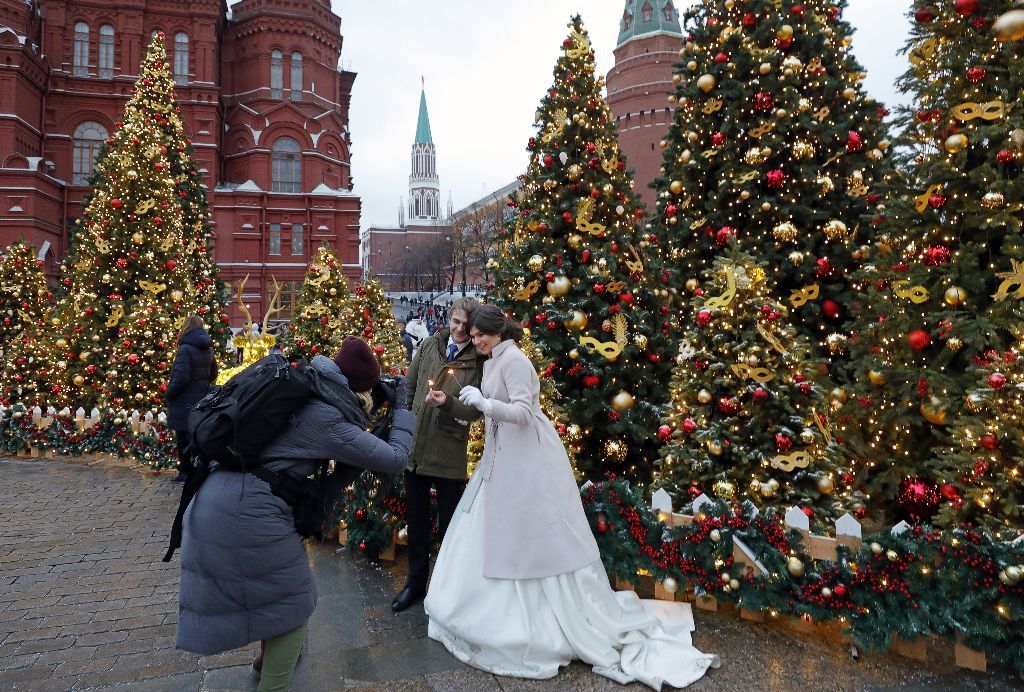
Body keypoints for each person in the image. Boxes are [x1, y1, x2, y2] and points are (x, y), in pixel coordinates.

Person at [423, 305, 719, 690]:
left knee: (529, 528)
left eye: (481, 334)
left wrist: (485, 403)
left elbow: (524, 413)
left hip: (526, 455)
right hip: (503, 455)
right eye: (473, 334)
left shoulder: (514, 361)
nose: (475, 340)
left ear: (497, 331)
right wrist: (479, 403)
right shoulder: (494, 359)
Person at [176, 337, 415, 691]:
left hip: (218, 498)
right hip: (245, 515)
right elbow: (397, 458)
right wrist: (403, 409)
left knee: (275, 595)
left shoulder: (307, 386)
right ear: (359, 390)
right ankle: (272, 684)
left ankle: (265, 660)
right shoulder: (330, 418)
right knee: (294, 606)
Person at [391, 297, 484, 613]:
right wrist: (407, 421)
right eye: (455, 321)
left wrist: (447, 403)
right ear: (450, 318)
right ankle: (415, 585)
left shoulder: (478, 361)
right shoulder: (431, 344)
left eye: (465, 325)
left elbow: (475, 412)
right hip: (417, 449)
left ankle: (447, 591)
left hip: (448, 452)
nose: (458, 329)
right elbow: (409, 383)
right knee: (416, 525)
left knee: (450, 529)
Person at [165, 316, 218, 483]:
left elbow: (181, 377)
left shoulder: (185, 349)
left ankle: (185, 471)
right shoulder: (208, 348)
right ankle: (199, 470)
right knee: (195, 436)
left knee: (183, 437)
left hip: (184, 399)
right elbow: (213, 373)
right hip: (200, 398)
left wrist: (170, 393)